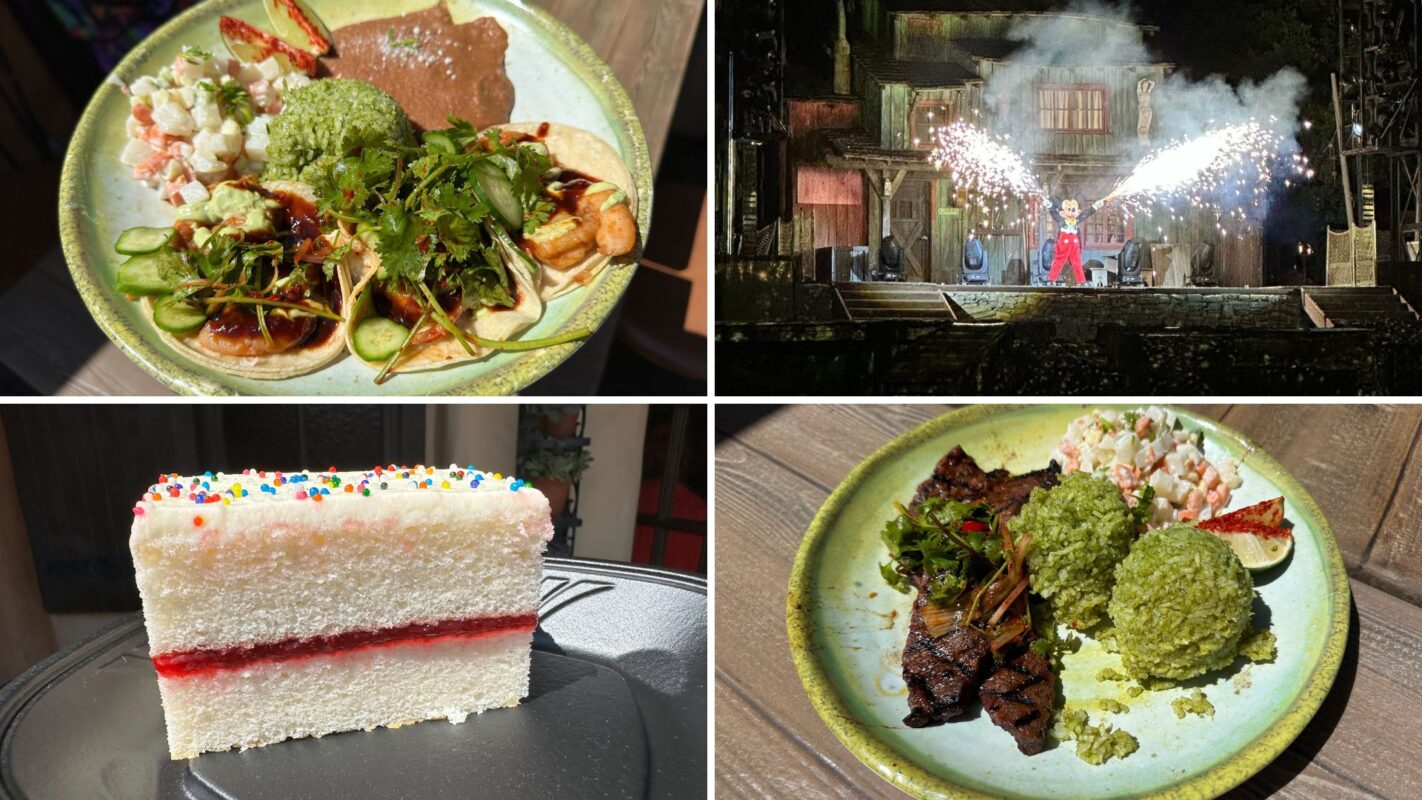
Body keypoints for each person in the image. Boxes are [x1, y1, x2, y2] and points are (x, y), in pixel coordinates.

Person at [1041, 194, 1106, 285]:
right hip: (1064, 242)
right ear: (1063, 212)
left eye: (1073, 210)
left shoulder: (1076, 220)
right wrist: (1049, 206)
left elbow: (1085, 214)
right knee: (1059, 261)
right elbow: (1054, 213)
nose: (1071, 212)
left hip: (1074, 244)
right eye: (1069, 209)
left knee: (1077, 262)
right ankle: (1051, 279)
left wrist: (1095, 206)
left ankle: (1081, 281)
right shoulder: (1061, 221)